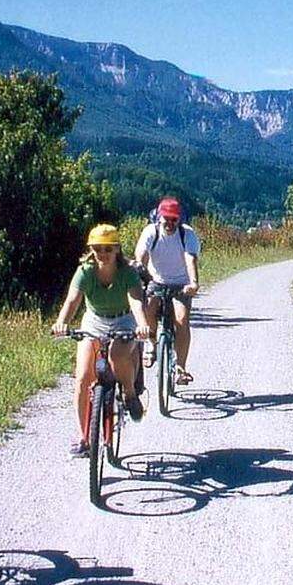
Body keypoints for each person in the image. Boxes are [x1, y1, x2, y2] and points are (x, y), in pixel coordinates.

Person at [52, 224, 151, 457]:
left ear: (117, 249)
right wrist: (61, 322)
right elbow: (72, 301)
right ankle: (83, 437)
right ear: (91, 250)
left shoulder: (127, 272)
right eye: (98, 248)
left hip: (124, 320)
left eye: (108, 248)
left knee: (118, 355)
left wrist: (143, 325)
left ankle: (129, 392)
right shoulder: (85, 271)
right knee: (83, 376)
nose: (103, 253)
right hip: (94, 321)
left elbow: (136, 301)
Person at [134, 196, 201, 385]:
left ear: (180, 219)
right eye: (166, 219)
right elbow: (142, 255)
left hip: (181, 284)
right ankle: (151, 344)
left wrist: (193, 283)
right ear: (159, 217)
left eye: (174, 220)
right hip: (156, 281)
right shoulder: (151, 232)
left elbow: (190, 258)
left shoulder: (187, 234)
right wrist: (139, 270)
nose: (170, 223)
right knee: (148, 312)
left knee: (181, 320)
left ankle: (180, 367)